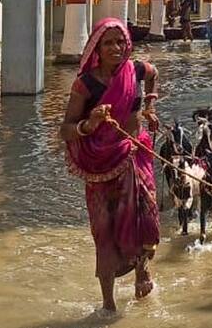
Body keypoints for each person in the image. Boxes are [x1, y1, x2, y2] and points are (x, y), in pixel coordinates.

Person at [60, 18, 161, 312]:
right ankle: (108, 305)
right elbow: (64, 129)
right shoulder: (86, 84)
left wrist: (150, 107)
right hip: (101, 164)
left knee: (146, 217)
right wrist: (89, 124)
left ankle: (142, 269)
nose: (116, 48)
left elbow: (154, 74)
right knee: (104, 232)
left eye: (120, 41)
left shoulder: (136, 70)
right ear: (97, 48)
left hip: (135, 152)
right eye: (108, 43)